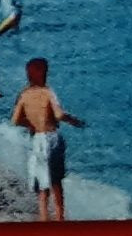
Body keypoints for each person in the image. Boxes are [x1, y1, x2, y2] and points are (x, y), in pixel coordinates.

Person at [11, 58, 85, 222]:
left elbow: (15, 120)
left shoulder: (24, 94)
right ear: (44, 73)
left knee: (42, 185)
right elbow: (59, 114)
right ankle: (59, 218)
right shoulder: (47, 92)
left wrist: (31, 124)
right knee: (56, 182)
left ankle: (43, 218)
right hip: (51, 137)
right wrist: (74, 121)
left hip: (37, 139)